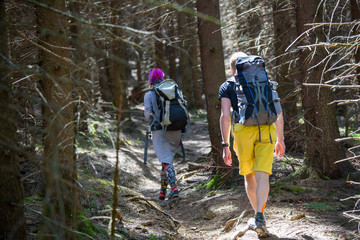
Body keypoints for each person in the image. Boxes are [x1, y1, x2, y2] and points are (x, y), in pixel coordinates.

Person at [219, 52, 286, 237]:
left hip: (242, 131)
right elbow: (278, 113)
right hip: (267, 129)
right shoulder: (264, 82)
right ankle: (260, 216)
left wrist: (225, 144)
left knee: (249, 174)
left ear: (233, 68)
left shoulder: (227, 86)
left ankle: (258, 217)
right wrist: (280, 140)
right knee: (263, 174)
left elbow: (225, 117)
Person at [144, 68, 181, 200]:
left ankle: (174, 188)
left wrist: (152, 117)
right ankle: (162, 192)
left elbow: (147, 115)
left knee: (165, 160)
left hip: (160, 131)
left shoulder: (149, 94)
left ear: (150, 80)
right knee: (165, 161)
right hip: (176, 129)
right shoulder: (172, 91)